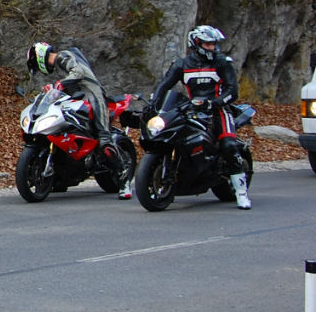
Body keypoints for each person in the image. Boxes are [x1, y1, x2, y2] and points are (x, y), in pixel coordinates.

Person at [150, 24, 250, 209]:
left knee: (228, 145)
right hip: (192, 107)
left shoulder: (222, 62)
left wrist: (215, 103)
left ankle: (242, 193)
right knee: (172, 131)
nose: (212, 47)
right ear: (196, 43)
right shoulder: (182, 64)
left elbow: (232, 91)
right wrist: (154, 103)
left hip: (219, 109)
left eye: (214, 44)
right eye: (208, 44)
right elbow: (164, 86)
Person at [27, 42, 129, 197]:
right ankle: (61, 178)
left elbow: (79, 73)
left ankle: (124, 178)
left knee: (104, 140)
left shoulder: (63, 56)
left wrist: (60, 84)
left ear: (39, 56)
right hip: (82, 100)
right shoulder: (63, 64)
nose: (39, 68)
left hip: (94, 96)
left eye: (36, 64)